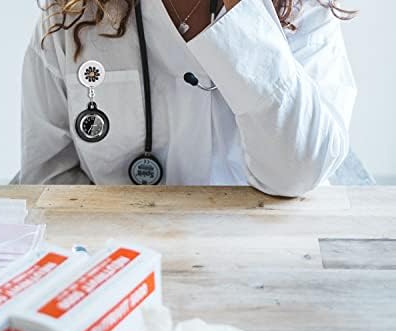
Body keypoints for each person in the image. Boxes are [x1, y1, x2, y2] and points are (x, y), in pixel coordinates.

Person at [18, 0, 357, 197]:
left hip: (264, 260)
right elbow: (48, 185)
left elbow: (297, 172)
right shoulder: (69, 17)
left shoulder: (305, 11)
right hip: (121, 264)